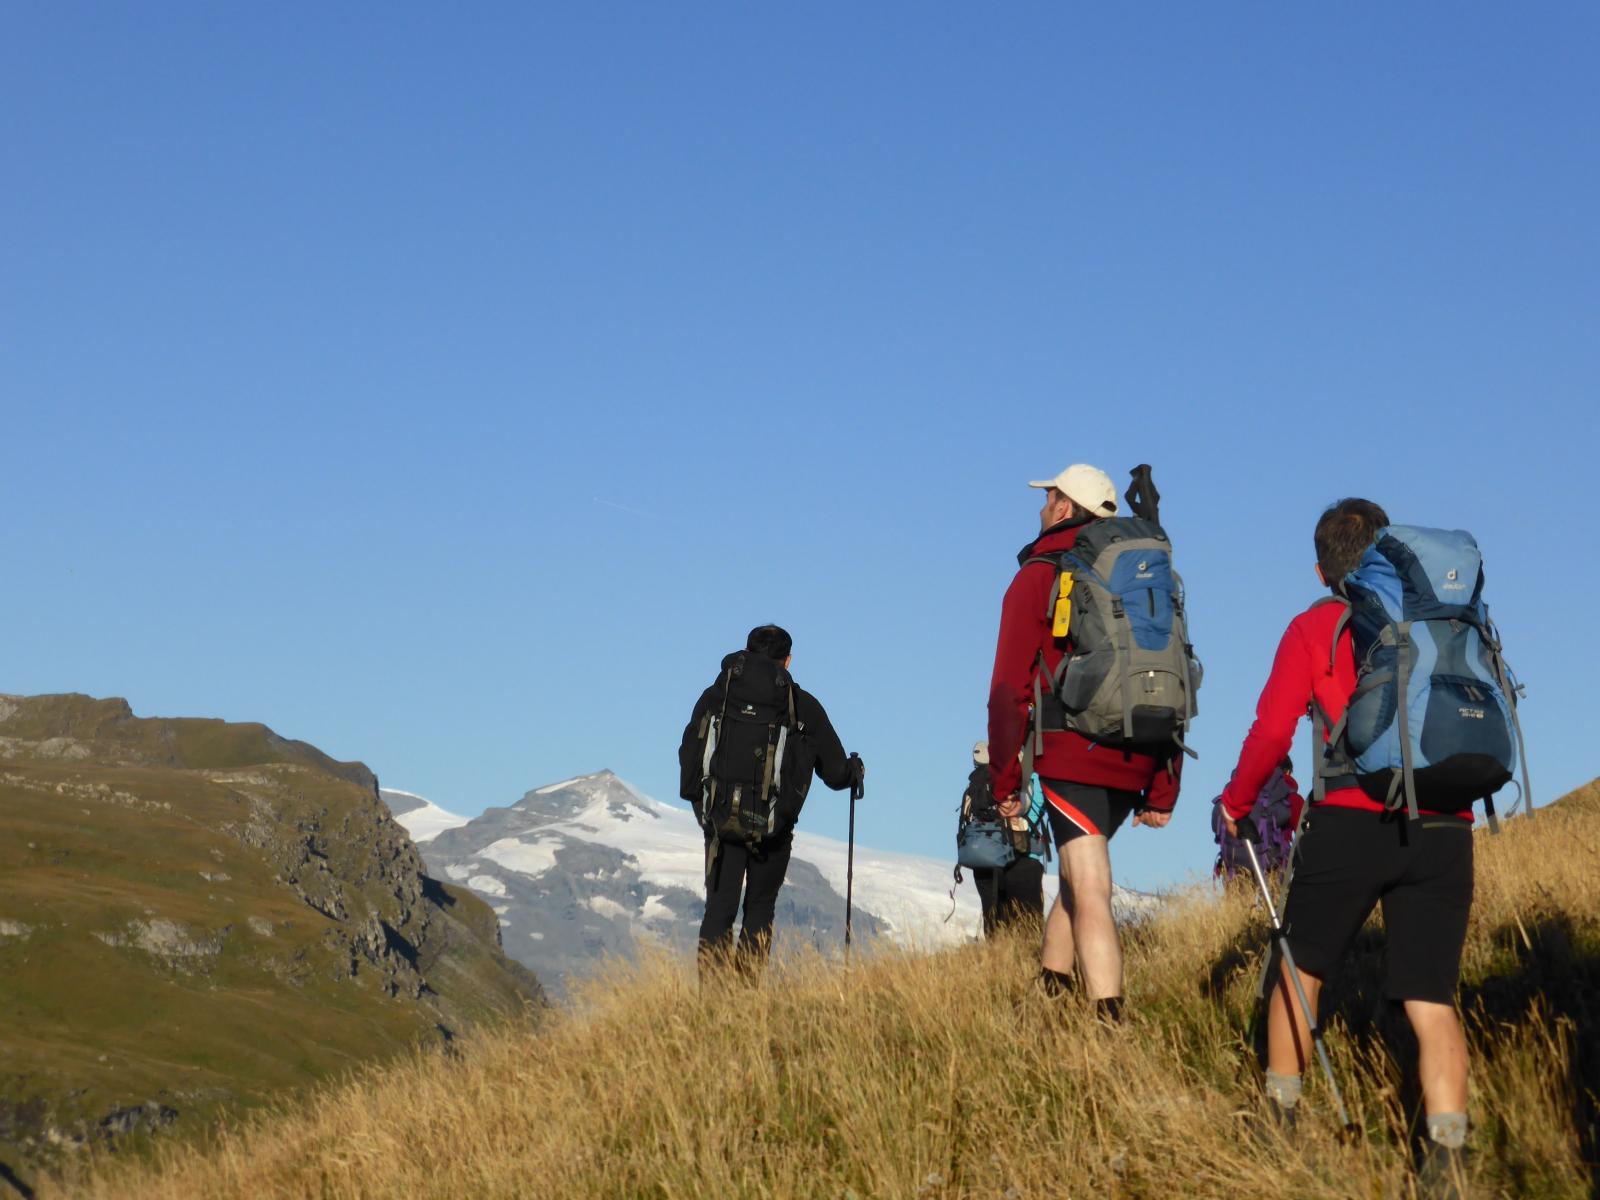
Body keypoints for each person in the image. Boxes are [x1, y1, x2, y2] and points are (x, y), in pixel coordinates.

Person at [1217, 498, 1474, 1190]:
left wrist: (1236, 804)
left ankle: (1281, 1123)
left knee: (1299, 969)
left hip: (1353, 818)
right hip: (1446, 823)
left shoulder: (1316, 625)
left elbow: (1272, 733)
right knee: (1431, 994)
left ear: (1322, 566)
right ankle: (1448, 1155)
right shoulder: (1438, 621)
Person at [987, 463, 1181, 1020]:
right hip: (1141, 747)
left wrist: (1005, 782)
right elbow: (1171, 670)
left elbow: (1008, 687)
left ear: (1065, 508)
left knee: (1089, 882)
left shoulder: (1041, 572)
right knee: (1075, 874)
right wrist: (1163, 785)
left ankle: (1109, 1026)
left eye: (1049, 498)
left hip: (1076, 748)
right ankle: (1046, 997)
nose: (1043, 507)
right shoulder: (1146, 573)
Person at [679, 624, 864, 975]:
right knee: (760, 907)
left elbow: (690, 750)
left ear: (746, 651)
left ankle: (712, 1003)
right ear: (788, 661)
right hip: (772, 826)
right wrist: (854, 771)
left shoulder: (717, 695)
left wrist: (701, 806)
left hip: (720, 822)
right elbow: (836, 772)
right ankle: (747, 998)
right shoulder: (799, 704)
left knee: (719, 909)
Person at [964, 741, 1045, 936]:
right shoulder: (1032, 779)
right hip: (1023, 856)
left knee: (994, 926)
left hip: (983, 858)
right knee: (1029, 927)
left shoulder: (977, 784)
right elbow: (1039, 809)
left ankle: (998, 963)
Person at [1212, 758, 1303, 881]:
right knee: (1276, 897)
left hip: (1236, 867)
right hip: (1273, 869)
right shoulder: (1290, 797)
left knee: (1238, 899)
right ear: (1286, 772)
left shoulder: (1233, 793)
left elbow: (1215, 825)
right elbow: (1304, 831)